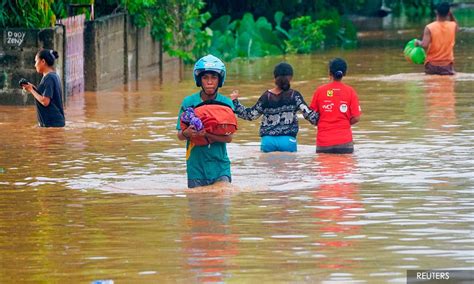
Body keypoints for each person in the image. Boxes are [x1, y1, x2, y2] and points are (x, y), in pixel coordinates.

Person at [231, 62, 319, 152]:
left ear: (274, 77)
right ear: (291, 78)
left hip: (268, 141)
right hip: (288, 141)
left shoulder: (266, 96)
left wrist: (235, 102)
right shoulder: (294, 96)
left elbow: (250, 115)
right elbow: (311, 116)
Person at [176, 54, 235, 188]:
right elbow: (179, 135)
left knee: (222, 203)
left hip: (220, 166)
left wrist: (206, 134)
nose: (209, 82)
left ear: (219, 80)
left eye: (213, 77)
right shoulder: (188, 102)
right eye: (205, 77)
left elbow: (229, 138)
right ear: (199, 80)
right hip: (195, 167)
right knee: (198, 206)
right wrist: (187, 133)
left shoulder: (226, 103)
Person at [309, 58, 361, 154]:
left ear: (329, 72)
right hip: (344, 142)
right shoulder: (350, 91)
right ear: (344, 73)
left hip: (324, 142)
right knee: (345, 168)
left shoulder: (320, 91)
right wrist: (343, 124)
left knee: (324, 168)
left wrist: (322, 124)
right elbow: (356, 118)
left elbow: (311, 116)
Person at [21, 49, 65, 127]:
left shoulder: (49, 78)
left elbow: (45, 101)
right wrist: (32, 88)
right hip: (55, 123)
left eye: (36, 61)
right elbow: (45, 96)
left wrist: (31, 90)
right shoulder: (53, 76)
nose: (35, 65)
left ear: (43, 62)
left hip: (52, 124)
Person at [414, 2, 458, 75]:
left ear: (436, 12)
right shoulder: (453, 26)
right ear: (448, 13)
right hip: (446, 65)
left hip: (432, 65)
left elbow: (424, 45)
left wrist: (418, 42)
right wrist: (451, 14)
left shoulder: (429, 27)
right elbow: (456, 26)